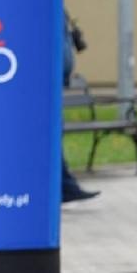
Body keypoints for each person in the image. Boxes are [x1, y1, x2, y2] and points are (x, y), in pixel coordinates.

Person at [59, 11, 98, 203]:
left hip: (55, 84)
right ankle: (67, 187)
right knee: (52, 135)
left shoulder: (57, 6)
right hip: (45, 84)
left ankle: (67, 187)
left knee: (54, 135)